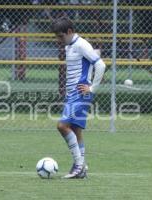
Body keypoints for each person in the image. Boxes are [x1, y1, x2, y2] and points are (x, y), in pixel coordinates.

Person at [51, 17, 106, 179]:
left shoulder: (81, 44)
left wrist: (92, 88)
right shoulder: (70, 45)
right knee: (75, 129)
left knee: (62, 126)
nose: (59, 40)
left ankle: (79, 165)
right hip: (72, 94)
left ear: (69, 32)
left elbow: (100, 65)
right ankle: (81, 168)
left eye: (61, 36)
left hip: (80, 93)